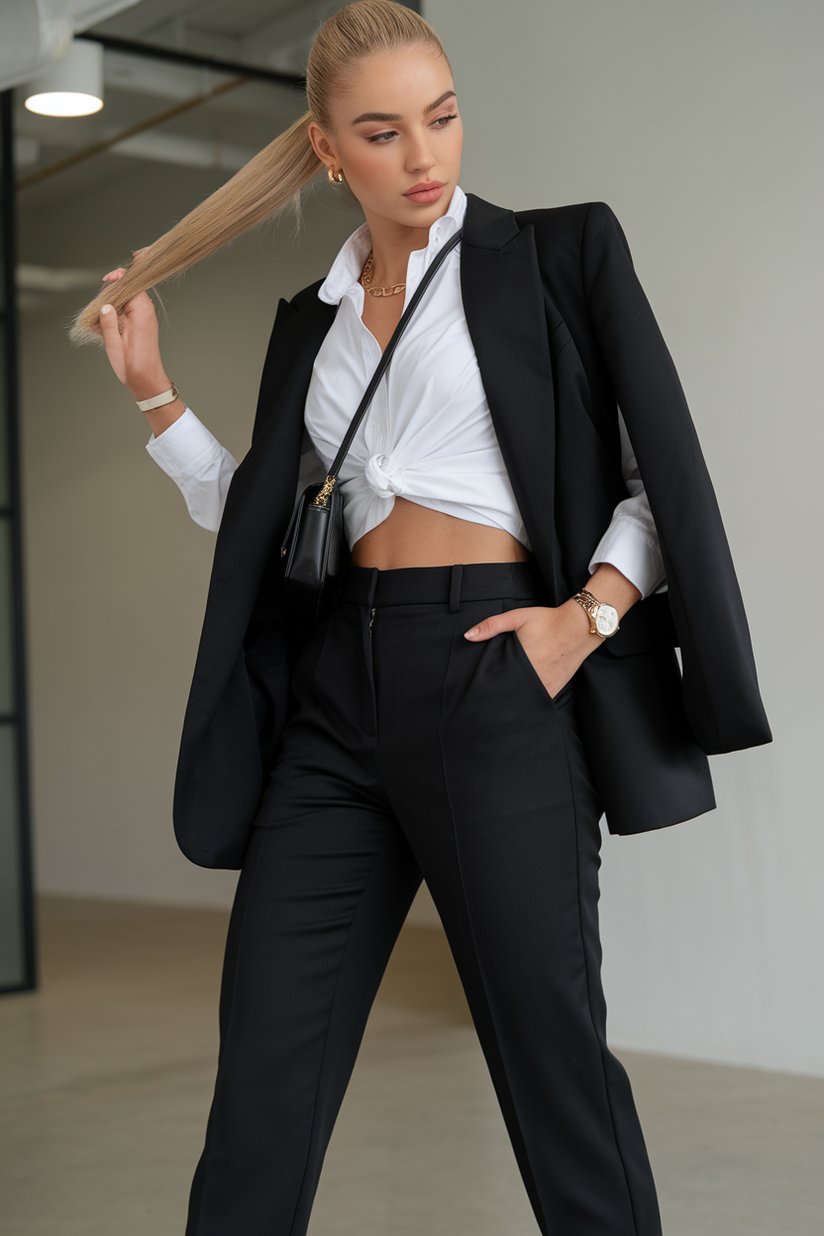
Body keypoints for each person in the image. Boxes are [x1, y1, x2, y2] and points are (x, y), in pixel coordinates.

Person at [76, 3, 771, 1233]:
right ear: (329, 149)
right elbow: (262, 527)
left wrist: (585, 618)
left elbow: (659, 475)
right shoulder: (314, 319)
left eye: (441, 118)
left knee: (552, 1068)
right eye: (384, 133)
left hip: (496, 673)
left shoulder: (556, 255)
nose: (424, 155)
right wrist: (154, 394)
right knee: (262, 1083)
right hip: (337, 698)